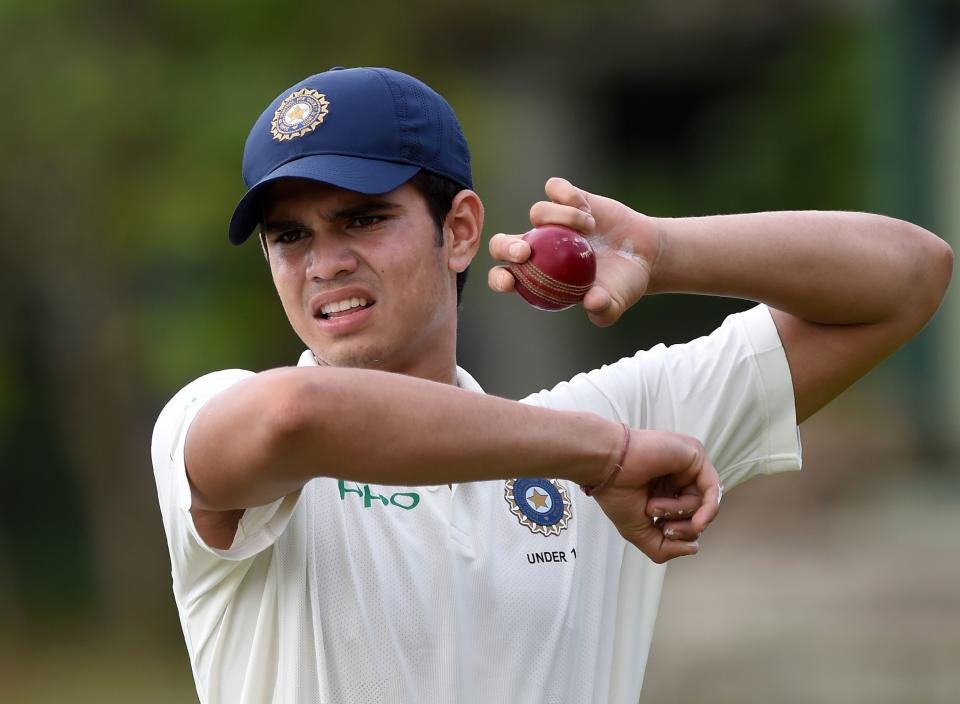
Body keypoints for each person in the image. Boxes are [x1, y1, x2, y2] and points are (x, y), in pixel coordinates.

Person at [151, 66, 953, 704]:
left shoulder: (600, 426)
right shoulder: (210, 418)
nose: (323, 262)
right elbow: (299, 414)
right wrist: (603, 457)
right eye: (289, 237)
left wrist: (662, 250)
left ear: (460, 229)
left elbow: (911, 275)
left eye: (362, 218)